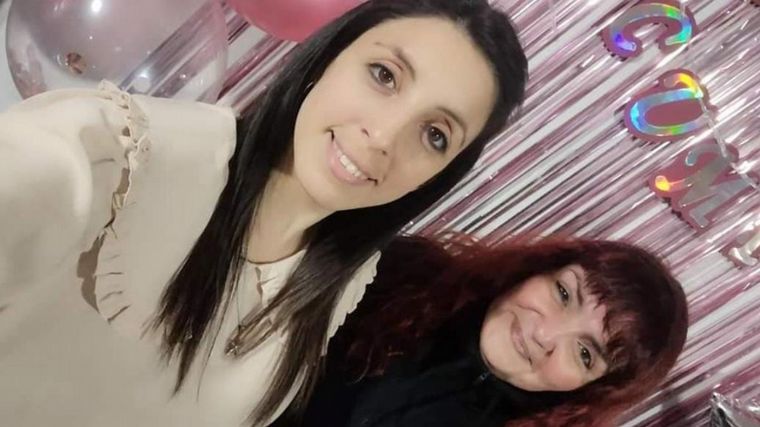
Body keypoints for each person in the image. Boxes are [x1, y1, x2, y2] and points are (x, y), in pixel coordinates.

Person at [0, 0, 527, 425]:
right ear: (329, 56)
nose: (384, 137)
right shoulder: (117, 153)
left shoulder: (342, 280)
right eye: (384, 75)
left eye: (435, 135)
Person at [296, 235, 689, 427]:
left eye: (585, 353)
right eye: (563, 293)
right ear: (538, 269)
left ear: (590, 390)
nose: (544, 333)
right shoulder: (404, 271)